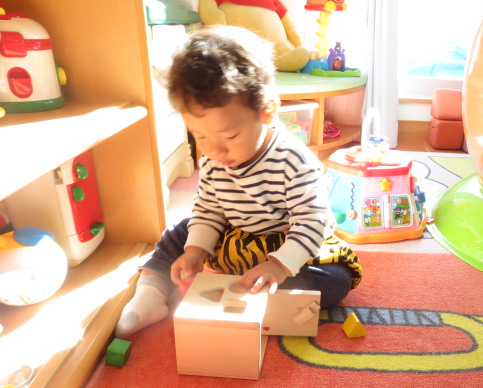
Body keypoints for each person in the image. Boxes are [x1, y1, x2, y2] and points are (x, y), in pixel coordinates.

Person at [115, 25, 363, 338]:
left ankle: (260, 291)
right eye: (200, 136)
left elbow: (312, 222)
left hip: (288, 241)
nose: (215, 150)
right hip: (237, 240)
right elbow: (209, 209)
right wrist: (195, 252)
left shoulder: (293, 160)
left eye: (230, 135)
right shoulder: (213, 157)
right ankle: (151, 293)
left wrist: (278, 266)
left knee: (335, 280)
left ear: (267, 112)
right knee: (180, 233)